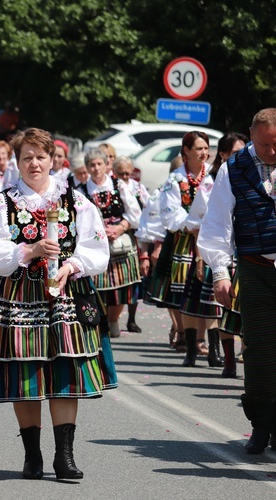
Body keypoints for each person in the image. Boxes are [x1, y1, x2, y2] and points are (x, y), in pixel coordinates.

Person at [0, 128, 113, 480]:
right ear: (17, 162)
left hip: (64, 295)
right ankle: (33, 455)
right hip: (18, 297)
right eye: (27, 157)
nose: (34, 163)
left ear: (52, 160)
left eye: (40, 156)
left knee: (65, 372)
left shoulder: (75, 201)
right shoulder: (1, 203)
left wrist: (71, 265)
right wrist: (28, 251)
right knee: (25, 374)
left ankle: (65, 457)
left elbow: (96, 247)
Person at [198, 108, 276, 454]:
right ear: (251, 135)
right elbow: (216, 225)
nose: (271, 152)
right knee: (259, 350)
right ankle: (261, 424)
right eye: (264, 145)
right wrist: (220, 273)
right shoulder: (233, 169)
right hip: (254, 266)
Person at [148, 131, 212, 364]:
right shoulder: (175, 179)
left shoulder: (213, 175)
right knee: (186, 289)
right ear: (186, 151)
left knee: (208, 288)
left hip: (209, 238)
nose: (204, 153)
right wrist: (191, 224)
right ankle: (187, 336)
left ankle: (202, 340)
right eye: (199, 148)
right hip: (185, 240)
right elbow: (169, 212)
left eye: (206, 148)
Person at [79, 149, 141, 339]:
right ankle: (102, 320)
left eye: (99, 164)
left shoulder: (118, 185)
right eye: (92, 165)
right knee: (98, 287)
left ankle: (114, 320)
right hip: (96, 243)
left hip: (119, 242)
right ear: (87, 168)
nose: (96, 168)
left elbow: (135, 213)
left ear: (106, 165)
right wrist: (97, 232)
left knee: (121, 288)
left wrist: (119, 228)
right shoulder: (81, 190)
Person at [207, 132, 248, 377]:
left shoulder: (253, 172)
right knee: (227, 308)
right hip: (226, 251)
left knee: (248, 310)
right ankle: (229, 360)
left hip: (247, 251)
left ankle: (249, 356)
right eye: (234, 152)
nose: (240, 157)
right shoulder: (215, 178)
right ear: (223, 154)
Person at [112, 156, 149, 333]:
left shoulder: (138, 188)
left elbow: (148, 208)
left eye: (128, 173)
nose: (125, 177)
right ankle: (114, 318)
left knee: (136, 278)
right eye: (121, 174)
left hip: (137, 235)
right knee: (121, 278)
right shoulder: (113, 187)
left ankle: (132, 319)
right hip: (122, 235)